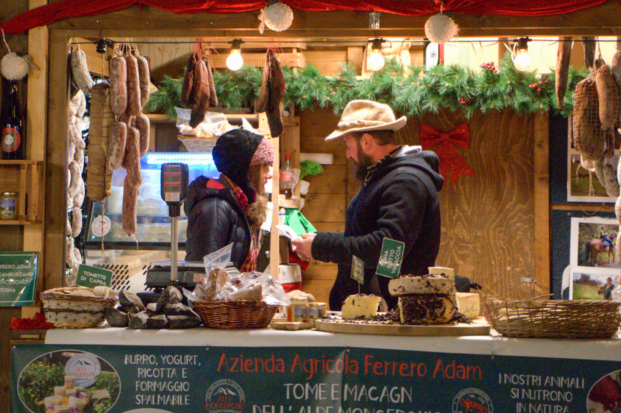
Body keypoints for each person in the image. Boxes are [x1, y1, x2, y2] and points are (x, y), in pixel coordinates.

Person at [293, 100, 443, 311]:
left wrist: (321, 247)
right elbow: (365, 236)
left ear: (366, 141)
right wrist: (319, 240)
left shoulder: (406, 182)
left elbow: (387, 250)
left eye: (348, 145)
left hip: (397, 315)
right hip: (380, 312)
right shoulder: (382, 178)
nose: (348, 154)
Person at [185, 127, 274, 271]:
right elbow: (204, 278)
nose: (269, 174)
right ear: (244, 169)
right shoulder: (215, 208)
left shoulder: (242, 204)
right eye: (264, 166)